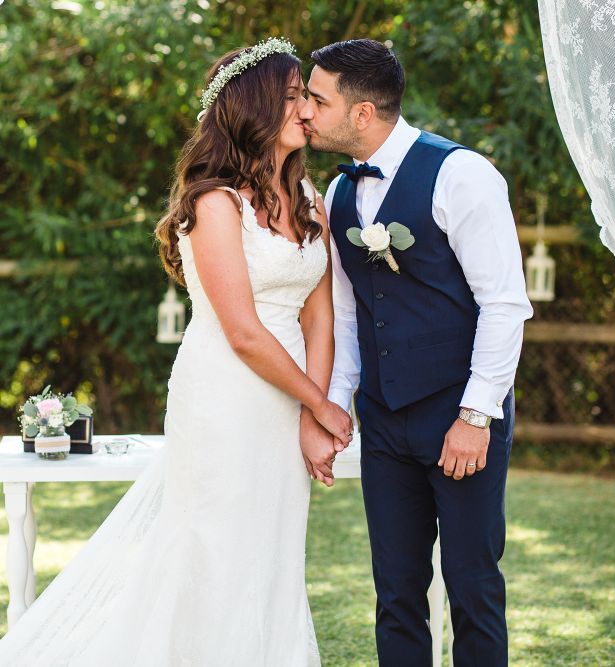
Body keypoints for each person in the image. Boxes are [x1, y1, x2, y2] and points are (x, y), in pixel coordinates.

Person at [0, 37, 352, 666]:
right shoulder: (214, 204)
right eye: (294, 95)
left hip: (291, 395)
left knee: (271, 548)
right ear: (255, 107)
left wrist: (310, 414)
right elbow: (242, 330)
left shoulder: (311, 203)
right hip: (227, 393)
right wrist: (320, 402)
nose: (305, 110)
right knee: (213, 545)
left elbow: (321, 315)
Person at [300, 39, 533, 666]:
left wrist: (476, 415)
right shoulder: (341, 193)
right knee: (396, 592)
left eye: (317, 99)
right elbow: (349, 313)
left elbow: (505, 305)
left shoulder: (463, 175)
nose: (304, 110)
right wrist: (333, 409)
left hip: (459, 417)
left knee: (472, 587)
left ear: (362, 113)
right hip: (383, 420)